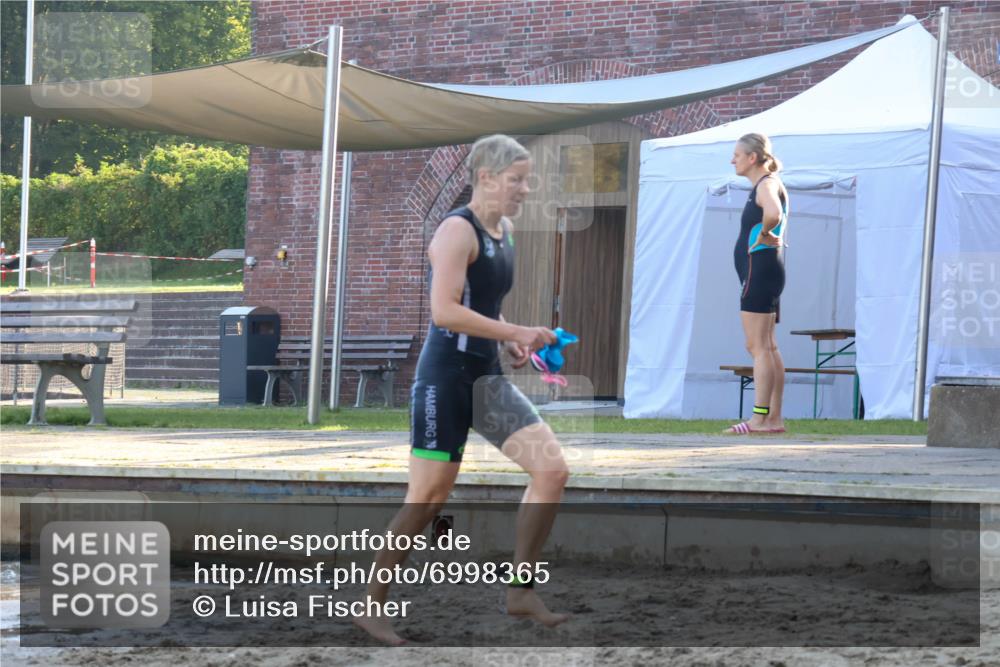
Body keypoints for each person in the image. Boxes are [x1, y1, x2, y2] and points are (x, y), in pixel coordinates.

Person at [354, 134, 570, 645]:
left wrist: (512, 338)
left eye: (526, 178)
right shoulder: (456, 230)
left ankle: (520, 590)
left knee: (552, 471)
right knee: (428, 498)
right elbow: (445, 310)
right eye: (516, 179)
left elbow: (483, 306)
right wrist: (514, 333)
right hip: (445, 378)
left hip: (485, 376)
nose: (525, 187)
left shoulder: (506, 231)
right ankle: (371, 603)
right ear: (486, 178)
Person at [726, 132, 789, 435]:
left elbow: (774, 214)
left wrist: (765, 233)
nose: (732, 160)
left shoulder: (766, 184)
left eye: (737, 155)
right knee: (768, 345)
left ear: (753, 158)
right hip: (766, 271)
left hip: (759, 271)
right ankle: (773, 419)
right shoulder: (769, 184)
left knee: (757, 347)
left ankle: (759, 419)